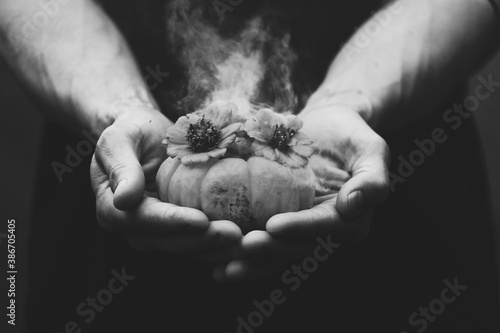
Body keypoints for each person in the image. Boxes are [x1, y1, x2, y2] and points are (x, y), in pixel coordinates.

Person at [1, 0, 499, 332]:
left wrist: (351, 99)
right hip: (104, 110)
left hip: (392, 124)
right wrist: (119, 107)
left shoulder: (289, 153)